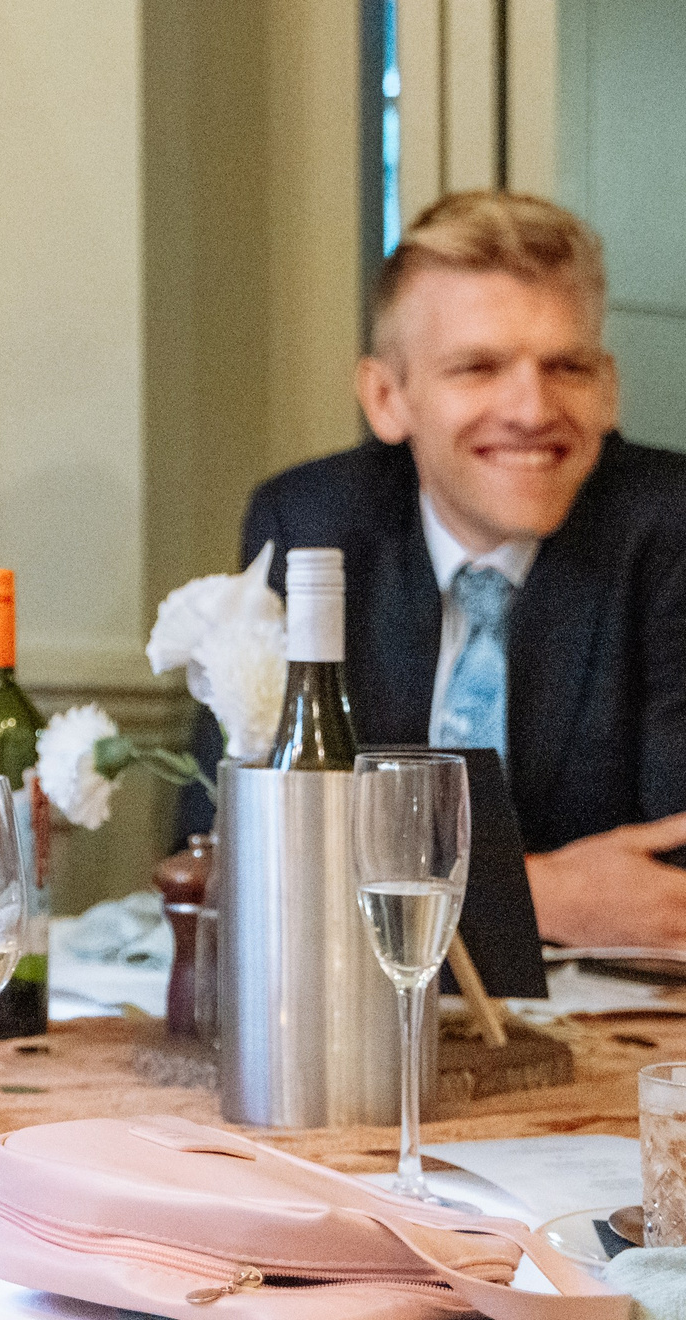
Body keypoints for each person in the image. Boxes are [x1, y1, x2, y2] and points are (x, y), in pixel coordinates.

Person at [181, 191, 686, 948]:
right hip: (354, 1022)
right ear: (388, 398)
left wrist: (374, 885)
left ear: (607, 390)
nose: (530, 408)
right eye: (479, 367)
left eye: (567, 367)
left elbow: (668, 881)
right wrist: (534, 897)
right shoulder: (314, 531)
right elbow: (226, 850)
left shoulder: (669, 530)